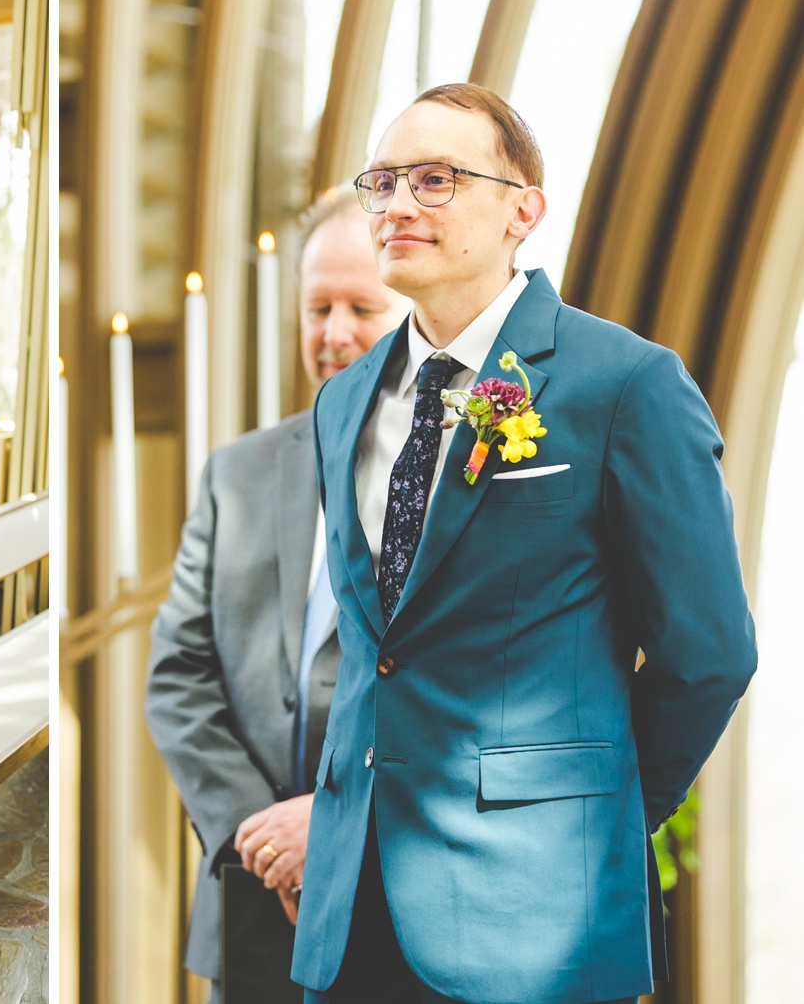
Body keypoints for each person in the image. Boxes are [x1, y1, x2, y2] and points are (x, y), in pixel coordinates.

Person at [293, 83, 757, 1004]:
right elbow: (377, 650)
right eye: (383, 181)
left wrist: (594, 818)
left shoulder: (626, 385)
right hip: (350, 917)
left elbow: (707, 655)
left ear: (523, 210)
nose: (397, 205)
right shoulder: (341, 403)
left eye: (435, 180)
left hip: (536, 920)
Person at [145, 188, 409, 1003]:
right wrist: (265, 841)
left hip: (408, 911)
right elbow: (177, 677)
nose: (334, 334)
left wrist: (336, 837)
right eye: (317, 307)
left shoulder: (459, 478)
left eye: (361, 307)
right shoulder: (238, 473)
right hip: (256, 909)